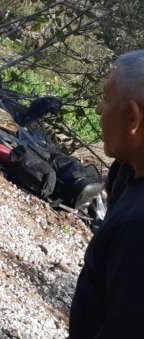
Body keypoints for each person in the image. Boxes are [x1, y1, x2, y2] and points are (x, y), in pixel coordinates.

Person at [69, 50, 144, 338]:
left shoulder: (136, 229)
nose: (100, 110)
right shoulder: (128, 173)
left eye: (108, 98)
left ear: (133, 118)